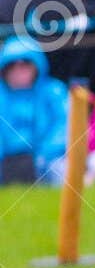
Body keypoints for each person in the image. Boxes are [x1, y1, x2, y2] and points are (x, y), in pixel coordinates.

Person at [0, 35, 70, 185]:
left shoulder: (54, 91)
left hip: (45, 160)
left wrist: (44, 154)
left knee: (61, 170)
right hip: (5, 161)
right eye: (12, 65)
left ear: (37, 66)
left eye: (25, 64)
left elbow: (65, 125)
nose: (18, 70)